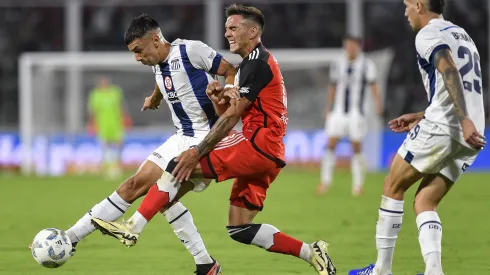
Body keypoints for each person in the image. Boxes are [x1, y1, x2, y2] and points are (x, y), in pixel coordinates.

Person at [91, 4, 337, 275]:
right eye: (226, 28)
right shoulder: (250, 64)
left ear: (253, 31)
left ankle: (132, 228)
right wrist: (216, 96)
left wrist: (197, 151)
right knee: (239, 228)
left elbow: (231, 118)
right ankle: (312, 252)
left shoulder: (257, 62)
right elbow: (230, 109)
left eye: (234, 28)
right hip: (270, 154)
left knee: (178, 164)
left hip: (257, 144)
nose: (227, 33)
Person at [63, 14, 237, 275]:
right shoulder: (156, 62)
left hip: (206, 140)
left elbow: (229, 69)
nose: (137, 58)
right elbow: (163, 78)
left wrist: (228, 90)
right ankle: (70, 238)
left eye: (138, 51)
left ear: (156, 40)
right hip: (181, 136)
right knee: (137, 187)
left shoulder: (190, 50)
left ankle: (75, 238)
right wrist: (155, 98)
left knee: (158, 195)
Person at [349, 0, 485, 274]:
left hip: (449, 126)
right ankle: (434, 271)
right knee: (425, 201)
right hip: (471, 134)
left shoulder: (427, 34)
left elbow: (448, 69)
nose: (405, 11)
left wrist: (461, 119)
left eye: (408, 5)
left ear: (420, 6)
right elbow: (460, 87)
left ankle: (381, 271)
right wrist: (424, 114)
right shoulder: (461, 34)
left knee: (393, 185)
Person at [317, 35, 383, 197]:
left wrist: (378, 104)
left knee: (356, 147)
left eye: (352, 45)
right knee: (330, 145)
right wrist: (328, 108)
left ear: (358, 47)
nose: (349, 48)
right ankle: (325, 182)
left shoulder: (367, 65)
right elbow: (332, 87)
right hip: (338, 112)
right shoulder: (337, 64)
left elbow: (373, 86)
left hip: (356, 113)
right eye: (347, 45)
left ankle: (358, 186)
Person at [87, 76, 130, 179]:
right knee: (105, 146)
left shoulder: (115, 92)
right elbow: (93, 110)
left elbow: (121, 106)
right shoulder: (95, 94)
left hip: (116, 124)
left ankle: (119, 166)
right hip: (102, 125)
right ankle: (106, 168)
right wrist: (91, 124)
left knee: (119, 145)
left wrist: (125, 118)